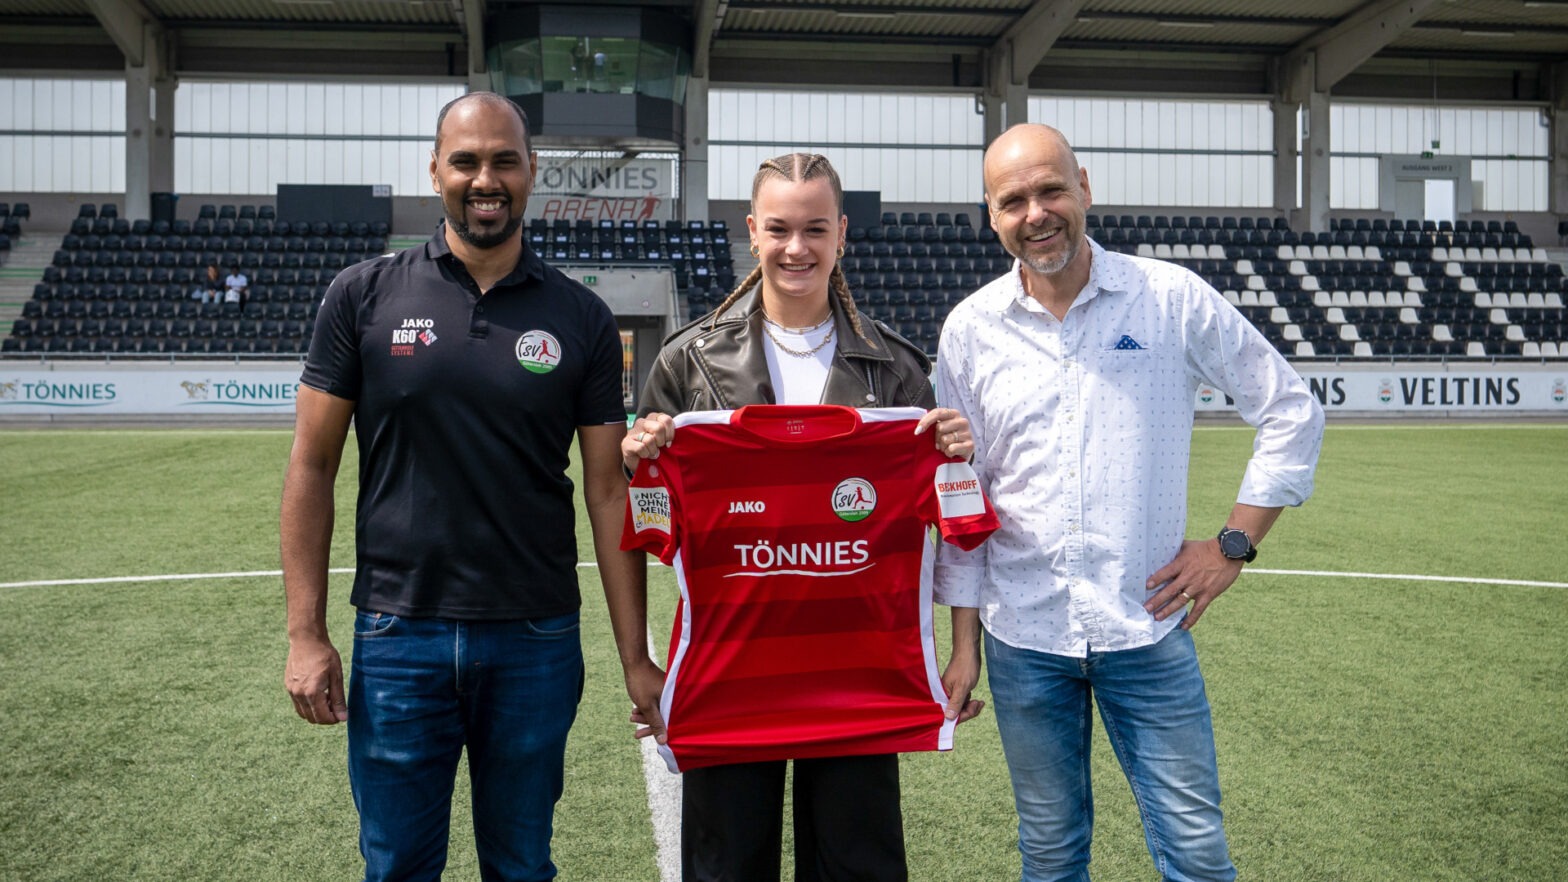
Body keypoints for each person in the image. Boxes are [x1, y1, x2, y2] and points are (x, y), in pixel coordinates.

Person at [934, 123, 1325, 882]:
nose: (1036, 212)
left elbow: (1291, 409)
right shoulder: (969, 330)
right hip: (1024, 637)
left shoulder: (1169, 297)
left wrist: (1233, 544)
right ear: (991, 215)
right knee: (1049, 852)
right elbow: (962, 496)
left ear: (1085, 186)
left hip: (1144, 628)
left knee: (1197, 853)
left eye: (1050, 189)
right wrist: (963, 647)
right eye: (1014, 200)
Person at [280, 91, 644, 882]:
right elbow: (312, 467)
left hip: (536, 638)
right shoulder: (363, 296)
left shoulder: (580, 316)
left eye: (504, 160)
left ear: (531, 172)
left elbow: (608, 491)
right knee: (399, 866)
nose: (487, 178)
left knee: (521, 865)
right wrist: (306, 634)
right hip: (397, 633)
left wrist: (635, 657)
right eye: (467, 161)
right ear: (436, 171)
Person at [611, 152, 982, 882]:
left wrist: (964, 649)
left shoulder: (897, 370)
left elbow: (949, 528)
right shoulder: (687, 364)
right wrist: (639, 460)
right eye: (779, 228)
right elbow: (646, 519)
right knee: (727, 868)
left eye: (815, 228)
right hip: (731, 668)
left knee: (857, 867)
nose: (797, 248)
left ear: (841, 233)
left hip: (859, 671)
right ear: (752, 232)